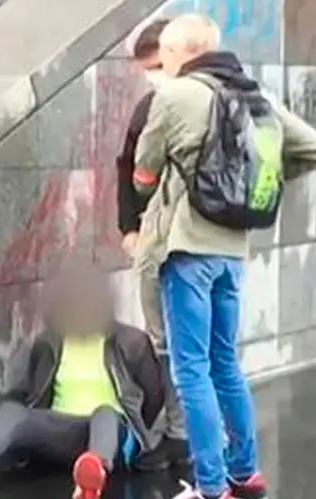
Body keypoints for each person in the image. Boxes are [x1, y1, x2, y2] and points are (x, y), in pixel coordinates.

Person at [132, 14, 316, 499]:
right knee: (225, 363)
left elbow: (142, 173)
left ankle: (211, 493)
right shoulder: (253, 97)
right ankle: (246, 478)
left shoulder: (175, 96)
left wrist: (170, 178)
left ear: (177, 53)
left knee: (190, 369)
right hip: (231, 252)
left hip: (187, 250)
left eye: (164, 56)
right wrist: (247, 180)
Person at [0, 260, 169, 499]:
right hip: (62, 432)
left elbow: (155, 395)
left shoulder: (130, 341)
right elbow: (34, 393)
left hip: (112, 437)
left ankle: (92, 481)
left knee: (105, 413)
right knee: (14, 410)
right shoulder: (49, 343)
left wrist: (145, 440)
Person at [117, 17, 191, 470]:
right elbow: (128, 166)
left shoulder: (186, 105)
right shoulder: (150, 106)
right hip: (167, 238)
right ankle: (186, 432)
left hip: (182, 240)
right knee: (171, 342)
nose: (152, 75)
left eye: (156, 65)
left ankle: (187, 434)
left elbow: (140, 172)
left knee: (182, 345)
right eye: (146, 68)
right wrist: (129, 228)